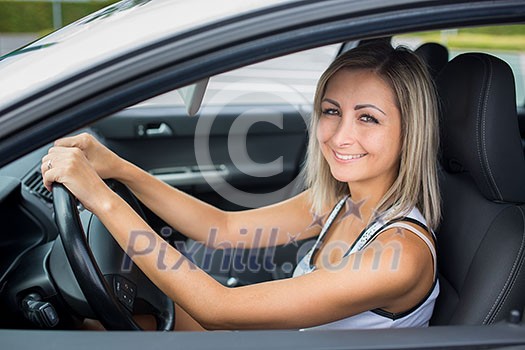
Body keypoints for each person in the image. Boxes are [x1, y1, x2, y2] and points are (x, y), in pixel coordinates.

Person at [41, 41, 440, 330]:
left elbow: (219, 307)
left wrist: (103, 200)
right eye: (331, 111)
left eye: (368, 118)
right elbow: (223, 229)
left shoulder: (400, 253)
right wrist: (119, 168)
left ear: (410, 133)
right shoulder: (339, 202)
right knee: (106, 323)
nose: (339, 137)